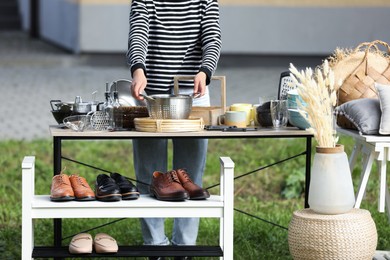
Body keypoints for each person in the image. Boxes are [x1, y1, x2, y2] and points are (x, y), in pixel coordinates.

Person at [126, 0, 221, 258]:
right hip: (151, 91)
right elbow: (138, 33)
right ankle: (155, 245)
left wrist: (205, 71)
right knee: (150, 172)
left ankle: (185, 247)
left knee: (189, 176)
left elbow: (212, 37)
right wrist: (138, 70)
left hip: (194, 91)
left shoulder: (204, 1)